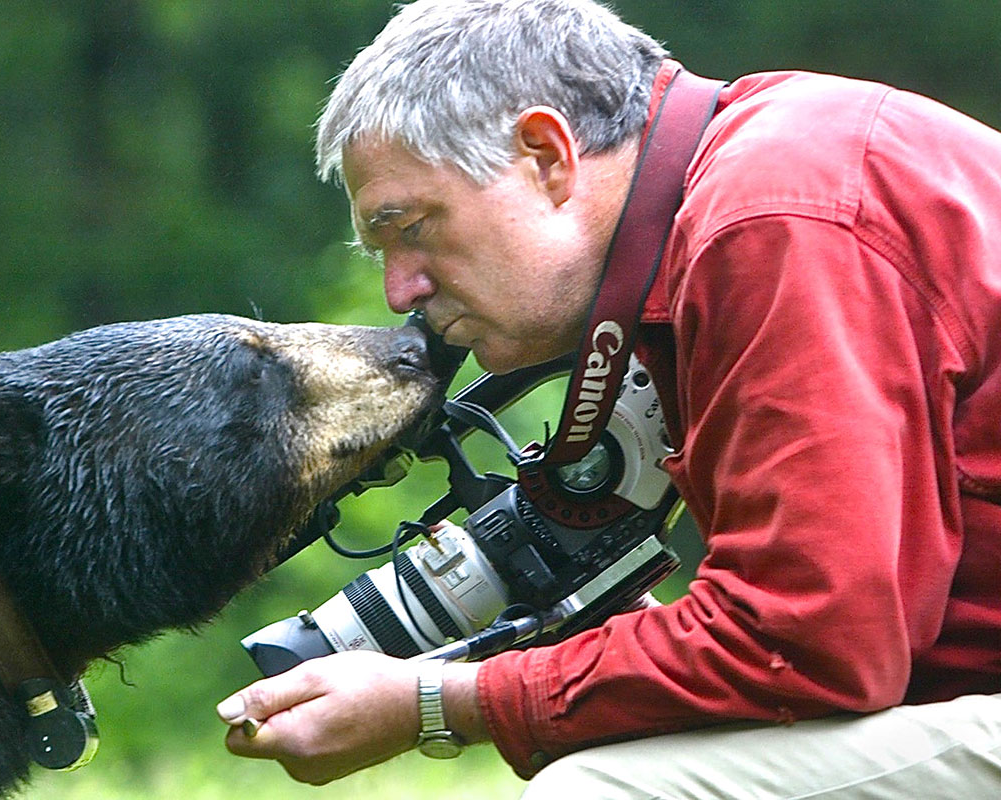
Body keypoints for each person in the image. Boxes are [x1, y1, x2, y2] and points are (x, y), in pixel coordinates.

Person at [216, 0, 1001, 795]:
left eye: (412, 226)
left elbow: (808, 643)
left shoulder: (770, 221)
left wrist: (435, 700)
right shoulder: (760, 173)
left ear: (547, 156)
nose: (398, 291)